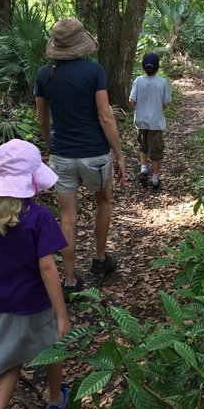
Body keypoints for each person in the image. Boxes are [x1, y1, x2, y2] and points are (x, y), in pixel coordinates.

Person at [0, 139, 72, 409]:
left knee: (11, 363)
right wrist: (61, 314)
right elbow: (47, 267)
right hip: (35, 304)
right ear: (33, 181)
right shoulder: (39, 217)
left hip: (1, 304)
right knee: (52, 353)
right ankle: (55, 401)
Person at [34, 17, 126, 303]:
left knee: (68, 218)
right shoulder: (94, 71)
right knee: (103, 202)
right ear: (81, 42)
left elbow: (42, 120)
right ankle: (99, 259)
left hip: (62, 155)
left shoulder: (44, 75)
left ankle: (70, 281)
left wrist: (53, 147)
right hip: (95, 155)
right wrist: (120, 154)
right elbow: (105, 115)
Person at [129, 53, 171, 189]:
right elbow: (166, 104)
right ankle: (155, 180)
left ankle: (143, 169)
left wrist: (141, 105)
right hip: (155, 122)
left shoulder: (138, 81)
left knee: (143, 145)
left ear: (143, 66)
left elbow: (131, 100)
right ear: (158, 67)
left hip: (141, 121)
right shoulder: (162, 82)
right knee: (155, 151)